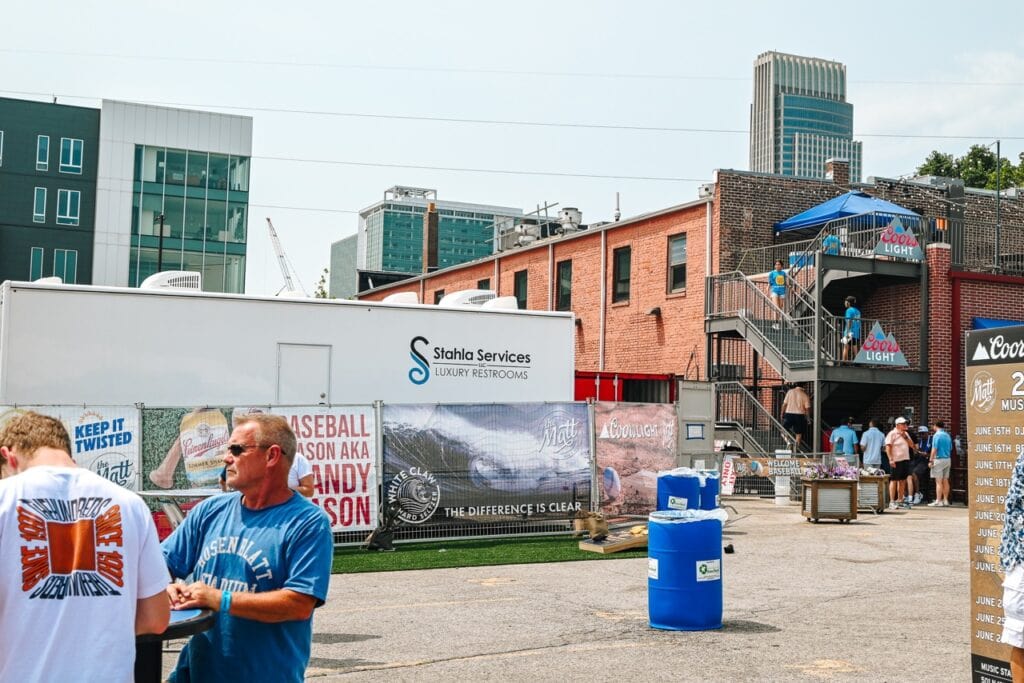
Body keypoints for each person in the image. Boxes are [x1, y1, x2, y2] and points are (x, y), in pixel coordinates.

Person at [162, 413, 332, 683]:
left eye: (237, 449)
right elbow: (160, 563)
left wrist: (220, 599)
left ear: (272, 456)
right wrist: (164, 586)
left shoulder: (308, 522)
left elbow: (299, 604)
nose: (226, 458)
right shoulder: (210, 511)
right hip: (194, 675)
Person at [0, 411, 170, 681]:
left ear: (8, 456)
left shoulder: (5, 497)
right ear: (70, 456)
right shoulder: (130, 504)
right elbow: (156, 617)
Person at [885, 417, 915, 510]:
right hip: (896, 460)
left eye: (906, 424)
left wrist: (905, 437)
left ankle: (900, 500)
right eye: (903, 424)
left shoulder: (906, 434)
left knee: (902, 481)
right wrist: (890, 459)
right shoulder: (892, 433)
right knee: (894, 480)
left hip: (905, 459)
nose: (905, 425)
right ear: (897, 425)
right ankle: (892, 501)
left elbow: (912, 445)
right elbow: (888, 447)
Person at [927, 420, 953, 507]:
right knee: (945, 480)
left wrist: (930, 460)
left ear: (935, 425)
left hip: (938, 459)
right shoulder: (947, 435)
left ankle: (938, 501)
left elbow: (934, 449)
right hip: (947, 459)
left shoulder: (936, 435)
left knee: (938, 481)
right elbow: (950, 448)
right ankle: (945, 500)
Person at [907, 425, 932, 505]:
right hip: (919, 460)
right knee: (908, 472)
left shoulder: (931, 440)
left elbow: (934, 451)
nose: (921, 435)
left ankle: (917, 493)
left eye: (923, 433)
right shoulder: (919, 441)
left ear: (927, 433)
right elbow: (917, 451)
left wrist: (927, 454)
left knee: (915, 473)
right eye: (920, 434)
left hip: (926, 461)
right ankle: (909, 494)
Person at [781, 384, 811, 449]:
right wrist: (808, 419)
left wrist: (782, 413)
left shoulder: (790, 392)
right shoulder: (805, 395)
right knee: (799, 434)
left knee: (783, 430)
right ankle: (796, 449)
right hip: (800, 415)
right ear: (804, 386)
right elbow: (807, 409)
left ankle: (788, 442)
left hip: (789, 414)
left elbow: (784, 404)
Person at [841, 296, 862, 362]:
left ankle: (844, 362)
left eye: (846, 302)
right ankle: (857, 362)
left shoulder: (849, 310)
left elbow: (849, 320)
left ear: (848, 303)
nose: (845, 303)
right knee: (855, 348)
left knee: (846, 347)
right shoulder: (858, 311)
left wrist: (848, 331)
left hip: (849, 332)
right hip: (856, 332)